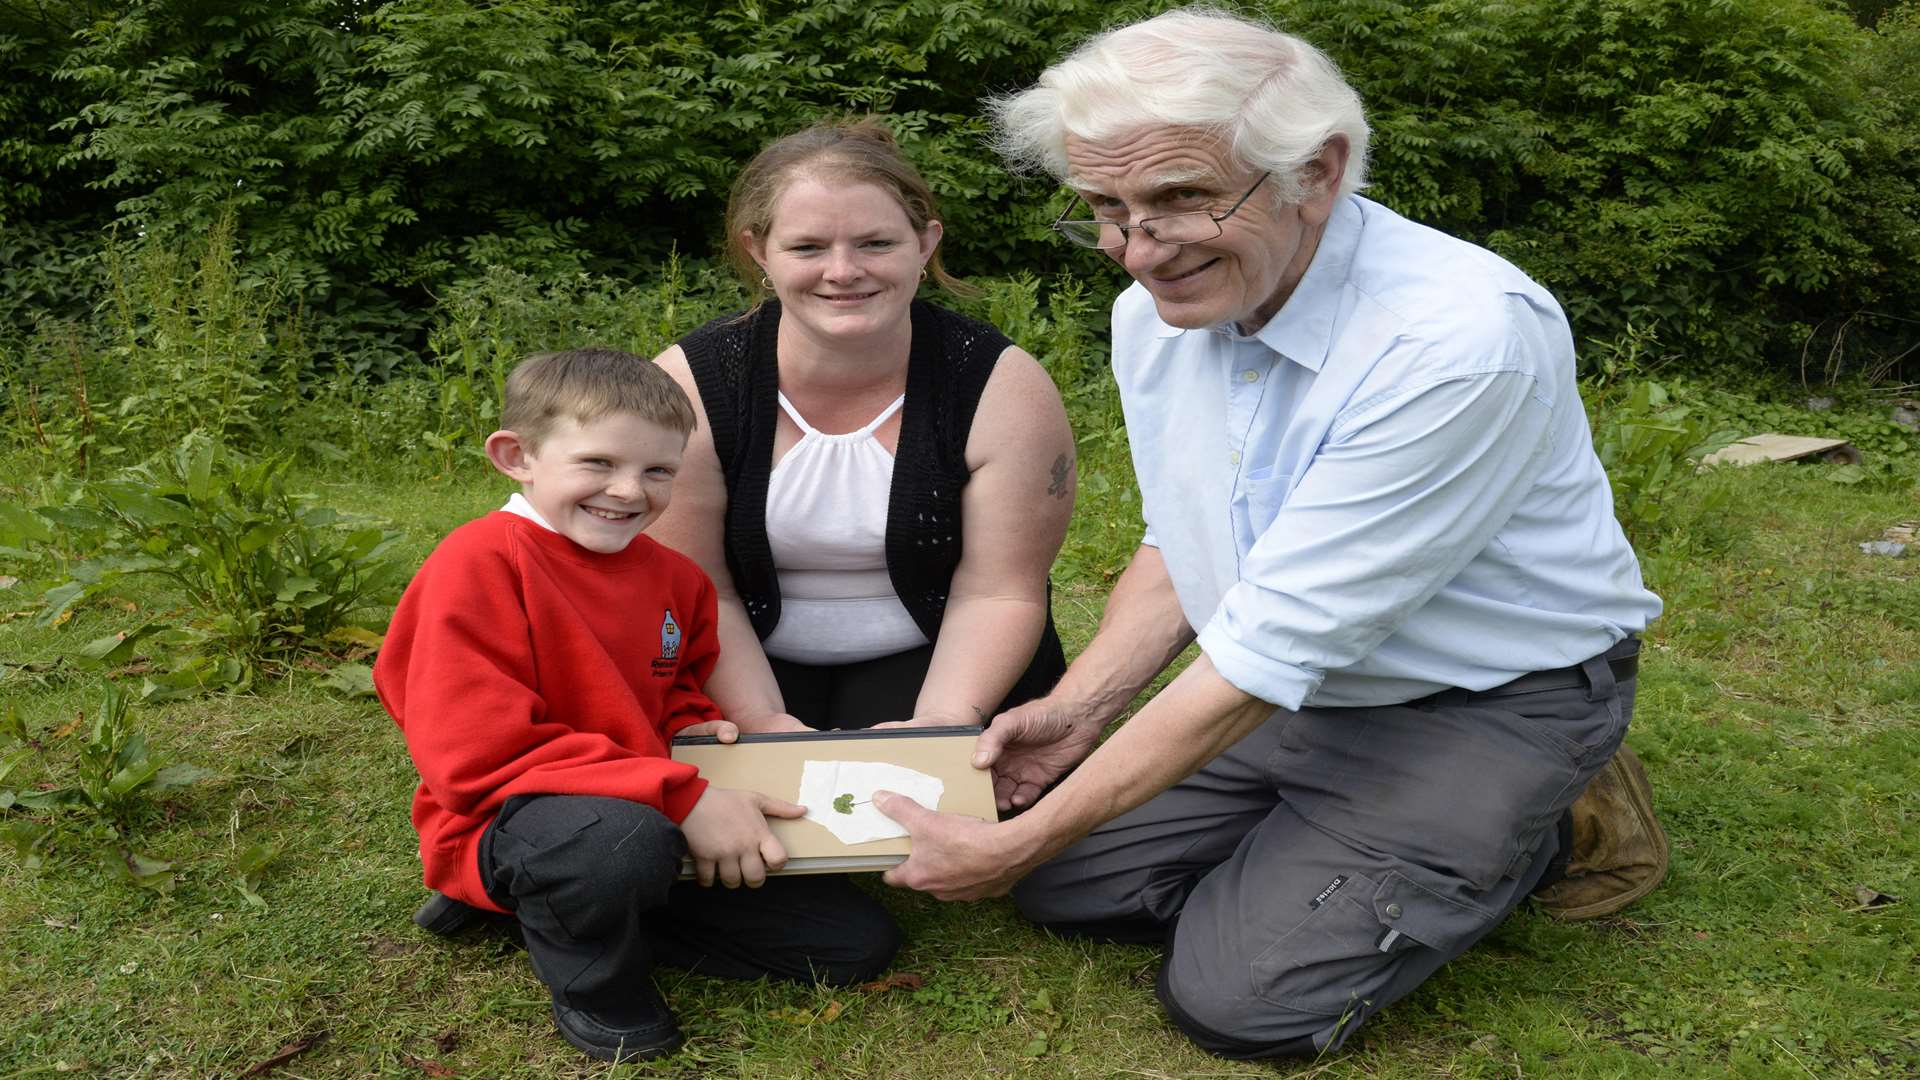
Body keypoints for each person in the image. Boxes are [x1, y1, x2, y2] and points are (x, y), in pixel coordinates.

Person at [875, 9, 1671, 1059]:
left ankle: (1550, 817)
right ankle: (1357, 833)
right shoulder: (1159, 316)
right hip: (1308, 680)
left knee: (1243, 1000)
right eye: (1105, 209)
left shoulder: (1458, 340)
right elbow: (1184, 539)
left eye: (1180, 198)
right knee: (1066, 889)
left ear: (1320, 170)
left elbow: (1265, 651)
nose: (1138, 251)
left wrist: (1021, 835)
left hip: (1481, 698)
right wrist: (1078, 712)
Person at [374, 349, 900, 1063]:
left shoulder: (674, 579)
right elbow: (475, 760)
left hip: (654, 811)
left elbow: (670, 685)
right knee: (617, 844)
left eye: (658, 471)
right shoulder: (477, 564)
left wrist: (694, 729)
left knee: (854, 943)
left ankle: (559, 908)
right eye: (597, 463)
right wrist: (682, 796)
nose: (628, 491)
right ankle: (596, 981)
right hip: (518, 815)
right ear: (516, 456)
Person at [648, 120, 1075, 735]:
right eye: (808, 248)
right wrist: (760, 722)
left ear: (925, 244)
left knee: (941, 817)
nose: (843, 271)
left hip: (946, 658)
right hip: (733, 660)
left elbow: (1000, 592)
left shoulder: (1001, 386)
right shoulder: (690, 384)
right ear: (758, 251)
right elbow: (701, 590)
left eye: (876, 244)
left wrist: (942, 726)